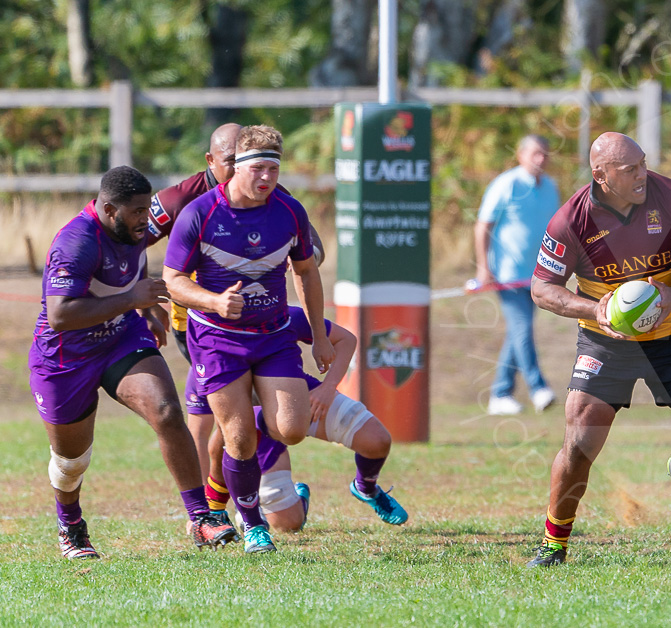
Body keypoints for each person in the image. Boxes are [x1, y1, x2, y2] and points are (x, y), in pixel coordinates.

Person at [525, 132, 671, 567]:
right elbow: (542, 289)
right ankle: (554, 545)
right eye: (629, 169)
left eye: (642, 163)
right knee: (580, 440)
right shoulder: (571, 220)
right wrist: (593, 309)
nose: (642, 174)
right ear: (601, 175)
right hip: (607, 342)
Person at [29, 166, 235, 558]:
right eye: (138, 212)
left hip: (120, 336)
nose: (147, 220)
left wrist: (147, 311)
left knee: (167, 411)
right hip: (64, 356)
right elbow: (59, 315)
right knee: (72, 462)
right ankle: (70, 525)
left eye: (147, 209)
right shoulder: (76, 242)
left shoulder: (132, 227)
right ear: (109, 210)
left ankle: (201, 518)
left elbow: (133, 261)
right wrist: (132, 299)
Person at [163, 125, 333, 554]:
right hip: (217, 339)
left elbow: (307, 272)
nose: (267, 179)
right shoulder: (199, 213)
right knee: (238, 439)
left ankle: (250, 476)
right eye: (258, 168)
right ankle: (253, 524)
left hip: (274, 336)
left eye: (274, 170)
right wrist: (215, 302)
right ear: (234, 166)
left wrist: (318, 335)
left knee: (292, 429)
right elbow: (173, 280)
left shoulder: (290, 211)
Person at [194, 306, 406, 532]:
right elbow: (217, 440)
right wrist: (212, 508)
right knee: (288, 524)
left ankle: (366, 487)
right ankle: (249, 513)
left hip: (297, 399)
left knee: (377, 440)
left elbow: (346, 339)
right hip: (253, 420)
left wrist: (328, 387)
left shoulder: (279, 314)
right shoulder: (209, 331)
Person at [474, 135, 558, 415]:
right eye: (535, 153)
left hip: (538, 276)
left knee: (516, 334)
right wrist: (483, 267)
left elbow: (555, 230)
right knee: (522, 329)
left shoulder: (550, 187)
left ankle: (500, 393)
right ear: (521, 155)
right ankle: (538, 388)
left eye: (545, 154)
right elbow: (483, 225)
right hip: (507, 275)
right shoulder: (506, 184)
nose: (541, 159)